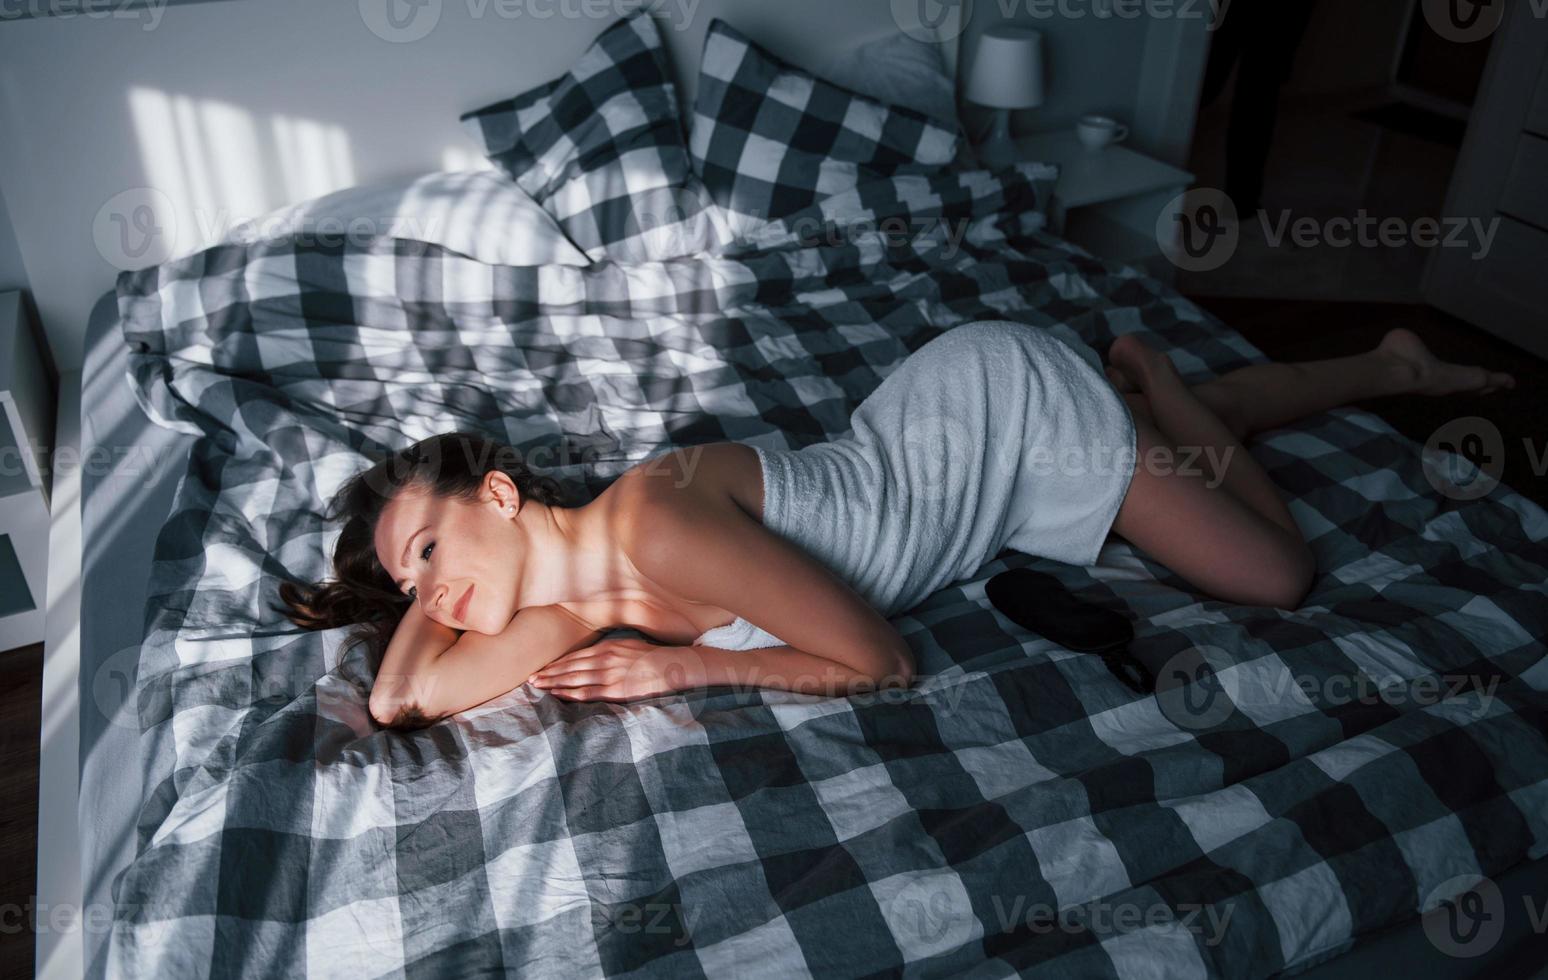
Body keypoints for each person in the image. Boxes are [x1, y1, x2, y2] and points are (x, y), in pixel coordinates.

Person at [282, 321, 1514, 730]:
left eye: (432, 547)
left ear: (500, 493)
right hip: (950, 464)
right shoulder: (564, 602)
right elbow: (401, 700)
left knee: (1280, 577)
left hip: (996, 419)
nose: (432, 597)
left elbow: (882, 659)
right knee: (1192, 460)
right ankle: (1383, 367)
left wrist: (688, 664)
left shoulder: (646, 527)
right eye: (413, 586)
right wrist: (406, 591)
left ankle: (1159, 391)